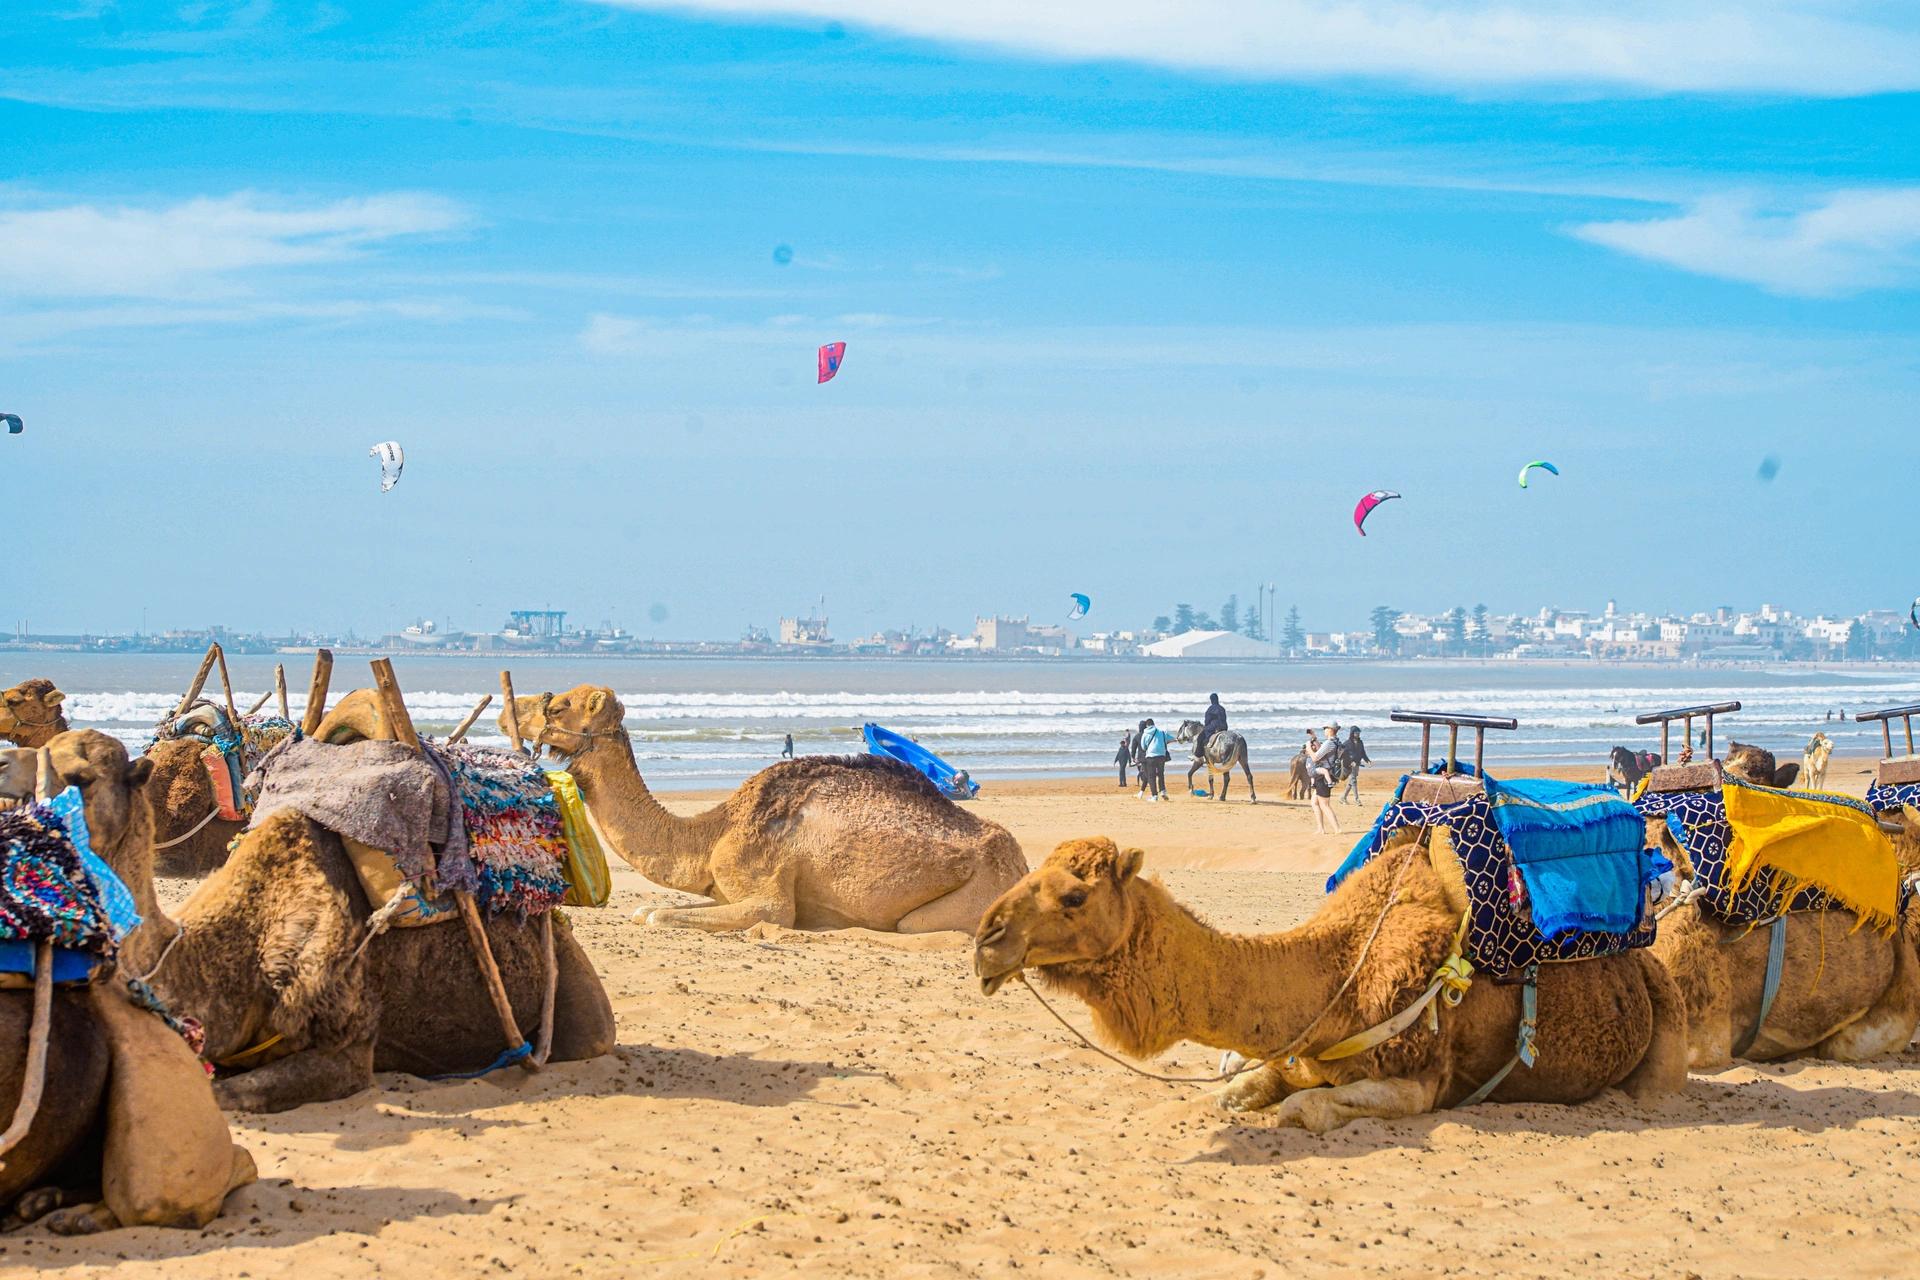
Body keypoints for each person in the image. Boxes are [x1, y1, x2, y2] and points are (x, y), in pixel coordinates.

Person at [1139, 718, 1171, 801]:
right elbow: (1171, 739)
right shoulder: (1162, 732)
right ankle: (1163, 791)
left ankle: (1154, 796)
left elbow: (1143, 746)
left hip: (1151, 757)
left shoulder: (1145, 734)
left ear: (1147, 725)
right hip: (1161, 756)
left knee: (1151, 776)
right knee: (1161, 774)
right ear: (1154, 724)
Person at [1340, 726, 1372, 805]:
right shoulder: (1347, 743)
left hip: (1356, 765)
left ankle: (1343, 797)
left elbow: (1363, 753)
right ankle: (1357, 800)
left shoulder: (1360, 742)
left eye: (1358, 732)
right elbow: (1342, 755)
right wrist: (1350, 761)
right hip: (1348, 766)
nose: (1358, 734)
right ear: (1352, 733)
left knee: (1351, 782)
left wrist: (1368, 761)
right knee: (1353, 781)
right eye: (1356, 733)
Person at [1310, 759, 1341, 834]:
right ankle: (1321, 828)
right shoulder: (1313, 755)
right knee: (1314, 802)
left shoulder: (1318, 754)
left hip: (1323, 781)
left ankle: (1337, 829)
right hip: (1318, 781)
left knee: (1325, 805)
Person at [1197, 693, 1228, 758]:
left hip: (1214, 727)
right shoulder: (1222, 708)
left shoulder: (1210, 709)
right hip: (1224, 727)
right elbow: (1224, 718)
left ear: (1211, 700)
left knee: (1200, 737)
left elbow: (1207, 720)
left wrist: (1206, 726)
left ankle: (1199, 754)